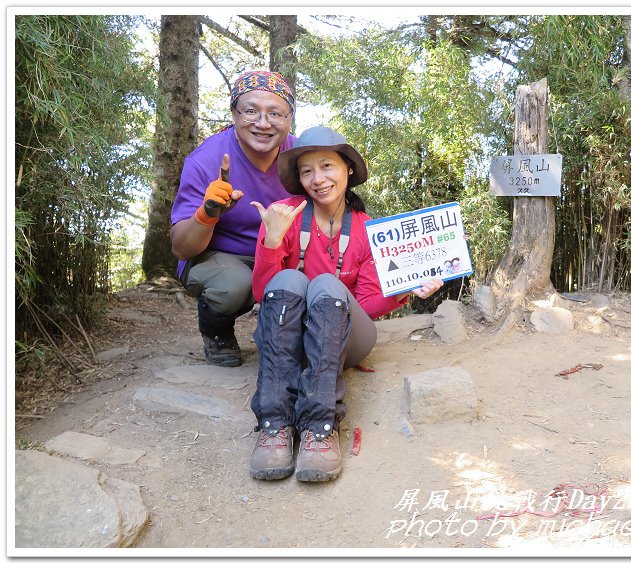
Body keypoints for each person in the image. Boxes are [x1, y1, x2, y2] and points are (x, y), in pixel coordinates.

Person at [248, 126, 443, 482]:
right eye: (307, 171)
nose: (317, 179)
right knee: (290, 280)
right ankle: (274, 423)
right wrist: (272, 241)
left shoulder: (367, 230)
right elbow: (265, 295)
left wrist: (402, 289)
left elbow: (365, 306)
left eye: (327, 166)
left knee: (326, 285)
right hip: (288, 340)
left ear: (347, 169)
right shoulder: (282, 215)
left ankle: (320, 428)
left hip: (344, 338)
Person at [170, 70, 297, 368]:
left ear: (289, 118)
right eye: (251, 111)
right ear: (234, 113)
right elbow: (181, 248)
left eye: (275, 113)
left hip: (281, 252)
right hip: (221, 258)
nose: (263, 123)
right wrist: (208, 212)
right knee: (235, 285)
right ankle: (217, 333)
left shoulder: (301, 155)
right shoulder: (205, 159)